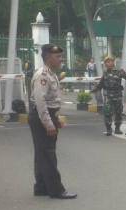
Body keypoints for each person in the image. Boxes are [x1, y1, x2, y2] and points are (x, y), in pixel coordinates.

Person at [28, 44, 76, 200]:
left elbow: (51, 101)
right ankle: (56, 190)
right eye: (58, 56)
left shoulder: (51, 73)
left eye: (61, 56)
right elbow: (41, 102)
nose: (61, 59)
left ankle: (41, 186)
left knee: (42, 153)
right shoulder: (43, 75)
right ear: (47, 57)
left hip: (48, 114)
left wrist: (56, 119)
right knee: (48, 154)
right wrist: (48, 124)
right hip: (42, 115)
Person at [91, 56, 126, 136]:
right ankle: (108, 129)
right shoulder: (105, 73)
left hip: (117, 95)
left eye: (109, 62)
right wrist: (95, 89)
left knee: (118, 112)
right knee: (107, 112)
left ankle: (117, 128)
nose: (107, 64)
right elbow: (101, 84)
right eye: (106, 62)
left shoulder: (119, 71)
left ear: (112, 62)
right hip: (108, 95)